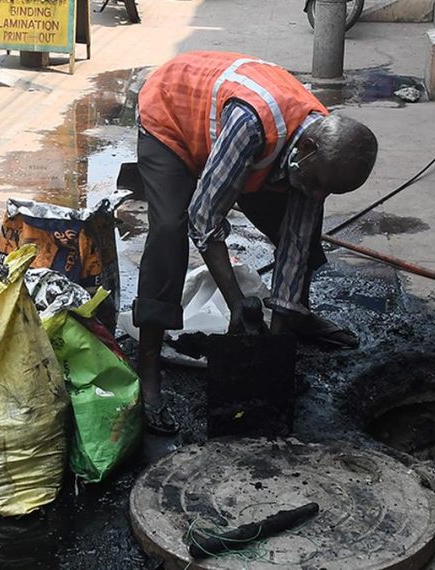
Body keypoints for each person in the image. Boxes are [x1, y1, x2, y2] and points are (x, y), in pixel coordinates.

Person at [133, 51, 378, 434]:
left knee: (302, 223)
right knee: (169, 229)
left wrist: (273, 349)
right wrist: (237, 304)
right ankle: (147, 366)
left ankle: (296, 315)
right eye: (316, 184)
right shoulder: (252, 125)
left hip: (249, 150)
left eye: (326, 190)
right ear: (305, 151)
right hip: (171, 117)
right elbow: (205, 218)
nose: (317, 195)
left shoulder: (323, 151)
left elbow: (295, 242)